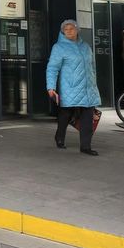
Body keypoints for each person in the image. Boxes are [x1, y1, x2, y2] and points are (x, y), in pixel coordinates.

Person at [46, 19, 101, 156]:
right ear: (62, 32)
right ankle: (59, 137)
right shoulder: (59, 47)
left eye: (71, 29)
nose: (69, 31)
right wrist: (51, 87)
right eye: (66, 29)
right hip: (70, 87)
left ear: (77, 30)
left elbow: (92, 67)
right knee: (65, 114)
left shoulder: (86, 47)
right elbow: (52, 68)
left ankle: (85, 147)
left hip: (88, 88)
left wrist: (94, 83)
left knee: (87, 117)